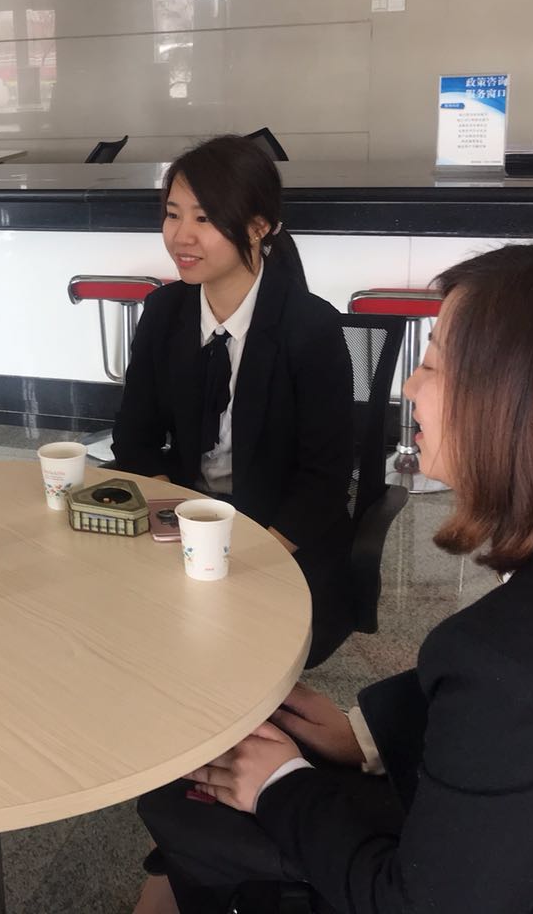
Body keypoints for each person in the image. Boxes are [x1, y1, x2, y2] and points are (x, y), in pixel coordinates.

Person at [138, 243, 533, 913]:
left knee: (180, 799)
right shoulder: (166, 314)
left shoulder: (506, 657)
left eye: (433, 363)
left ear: (514, 402)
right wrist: (367, 738)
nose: (410, 388)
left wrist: (280, 784)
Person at [111, 135, 355, 667]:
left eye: (204, 219)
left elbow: (325, 478)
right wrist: (173, 522)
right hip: (185, 516)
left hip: (281, 534)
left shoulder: (309, 327)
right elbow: (134, 438)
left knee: (228, 648)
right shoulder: (164, 312)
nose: (181, 236)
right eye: (172, 214)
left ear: (258, 226)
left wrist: (247, 553)